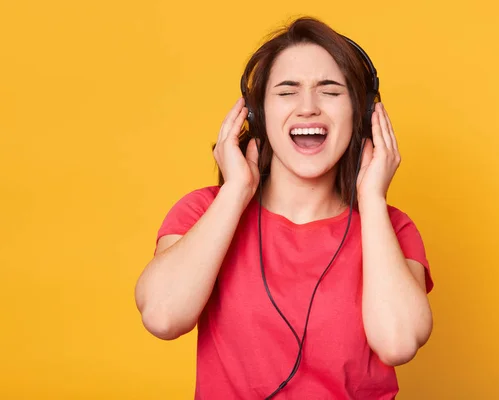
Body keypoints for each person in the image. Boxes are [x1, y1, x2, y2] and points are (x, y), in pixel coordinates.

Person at [135, 16, 434, 399]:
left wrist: (373, 199)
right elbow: (162, 316)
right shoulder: (203, 212)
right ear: (256, 115)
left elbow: (399, 343)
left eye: (330, 91)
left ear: (360, 115)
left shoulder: (391, 228)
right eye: (287, 91)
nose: (308, 107)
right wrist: (237, 190)